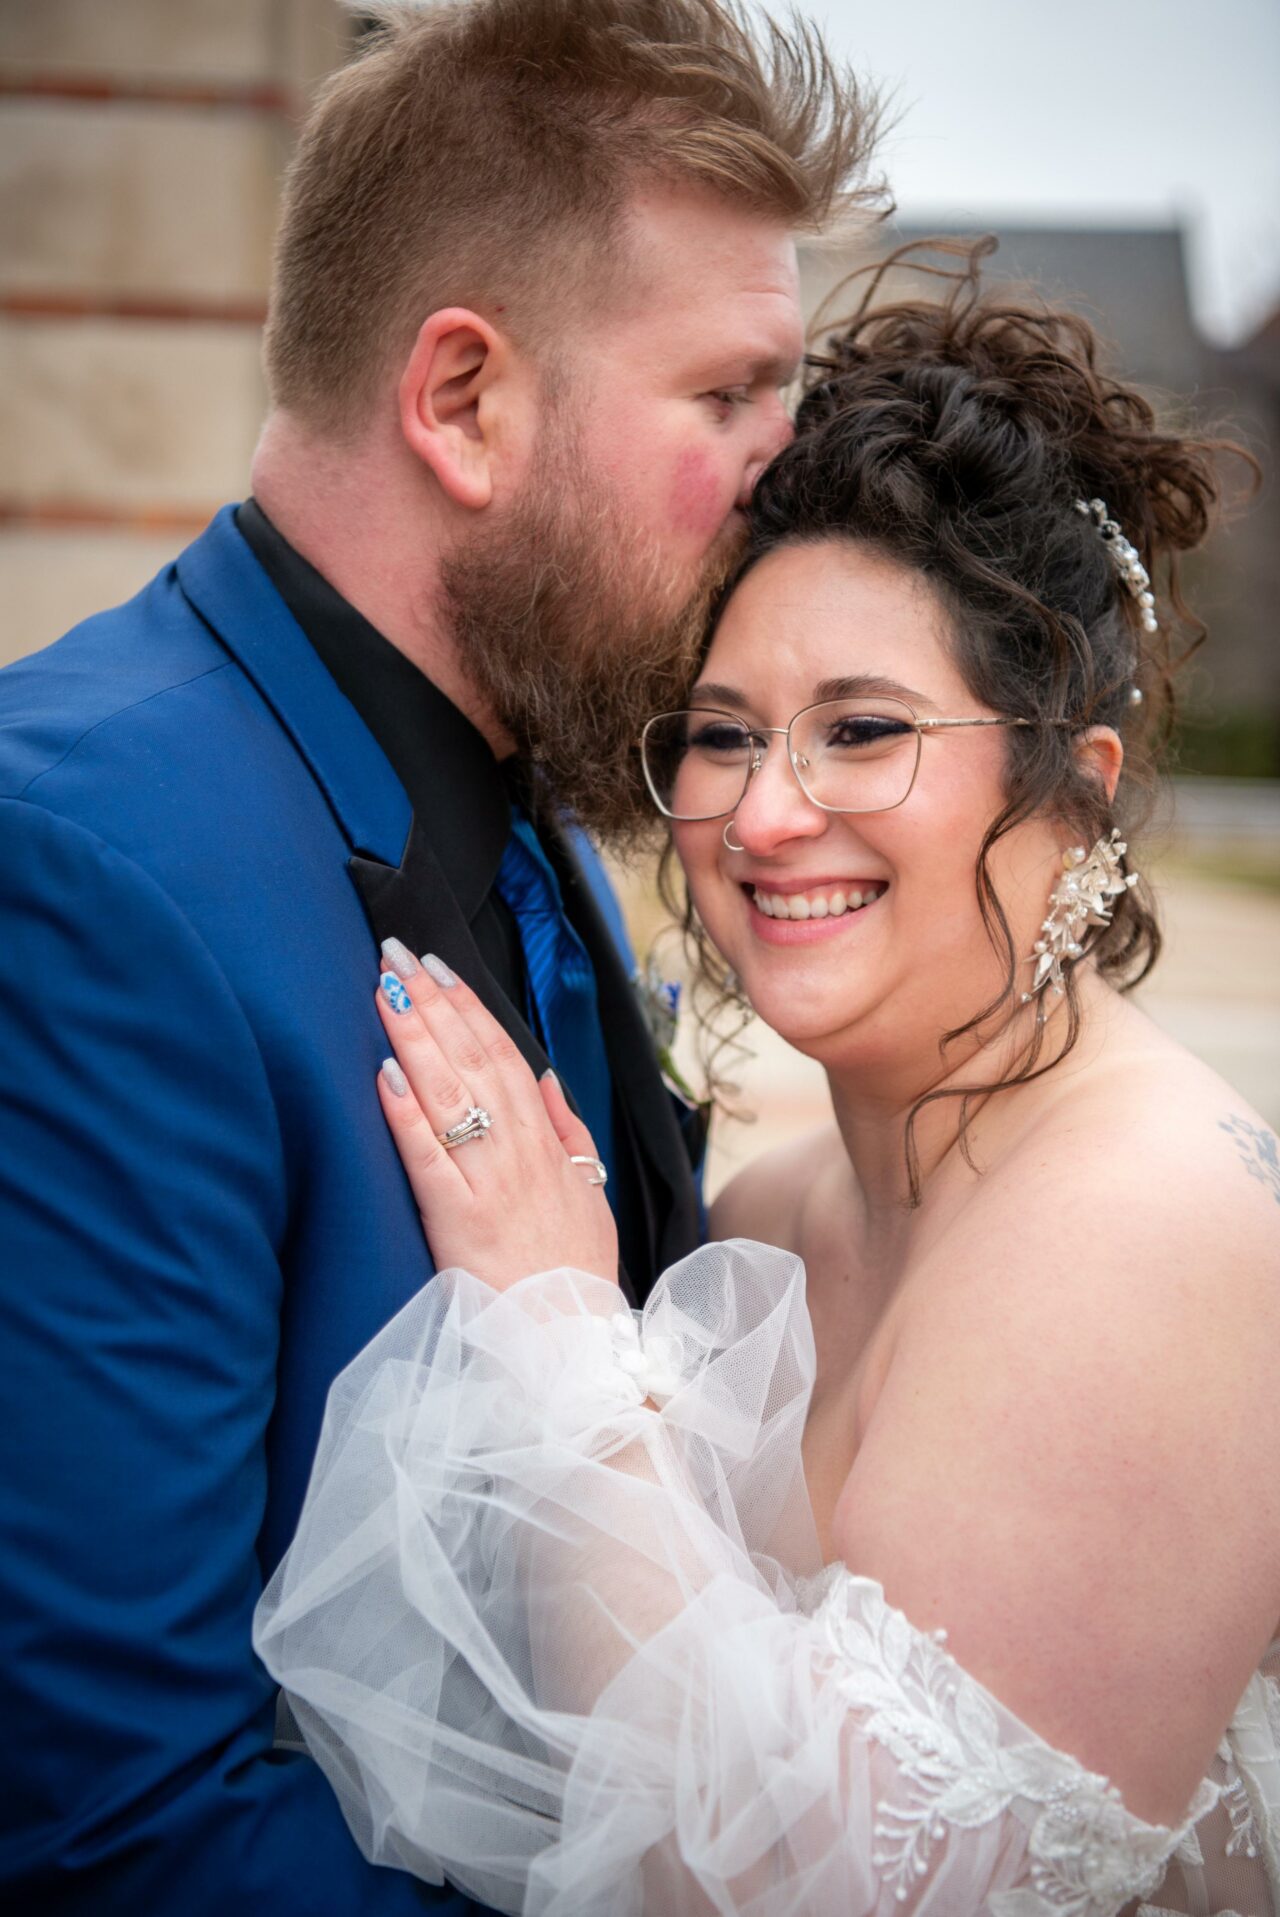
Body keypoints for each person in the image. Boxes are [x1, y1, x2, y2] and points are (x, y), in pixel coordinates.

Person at [255, 262, 1280, 1915]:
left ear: (1075, 792)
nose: (767, 814)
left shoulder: (1156, 1226)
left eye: (862, 730)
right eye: (724, 734)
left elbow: (834, 1885)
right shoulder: (769, 1217)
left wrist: (554, 1330)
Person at [0, 4, 881, 1909]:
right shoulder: (69, 867)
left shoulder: (542, 792)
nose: (785, 477)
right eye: (731, 395)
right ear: (464, 401)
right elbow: (109, 1820)